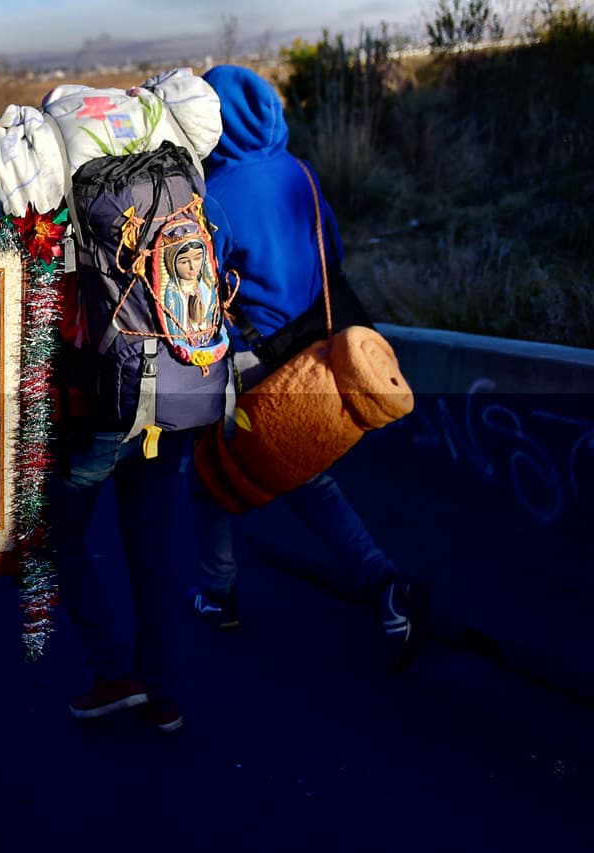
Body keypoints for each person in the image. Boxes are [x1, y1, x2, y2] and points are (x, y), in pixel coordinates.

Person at [186, 64, 426, 669]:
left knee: (211, 476)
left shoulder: (217, 195)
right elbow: (335, 255)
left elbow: (201, 291)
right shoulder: (301, 171)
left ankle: (221, 593)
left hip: (260, 366)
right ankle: (384, 587)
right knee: (303, 477)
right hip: (319, 353)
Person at [49, 203, 235, 733]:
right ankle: (163, 693)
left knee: (56, 534)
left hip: (98, 407)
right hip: (169, 391)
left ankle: (113, 673)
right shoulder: (170, 192)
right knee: (150, 547)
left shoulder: (69, 200)